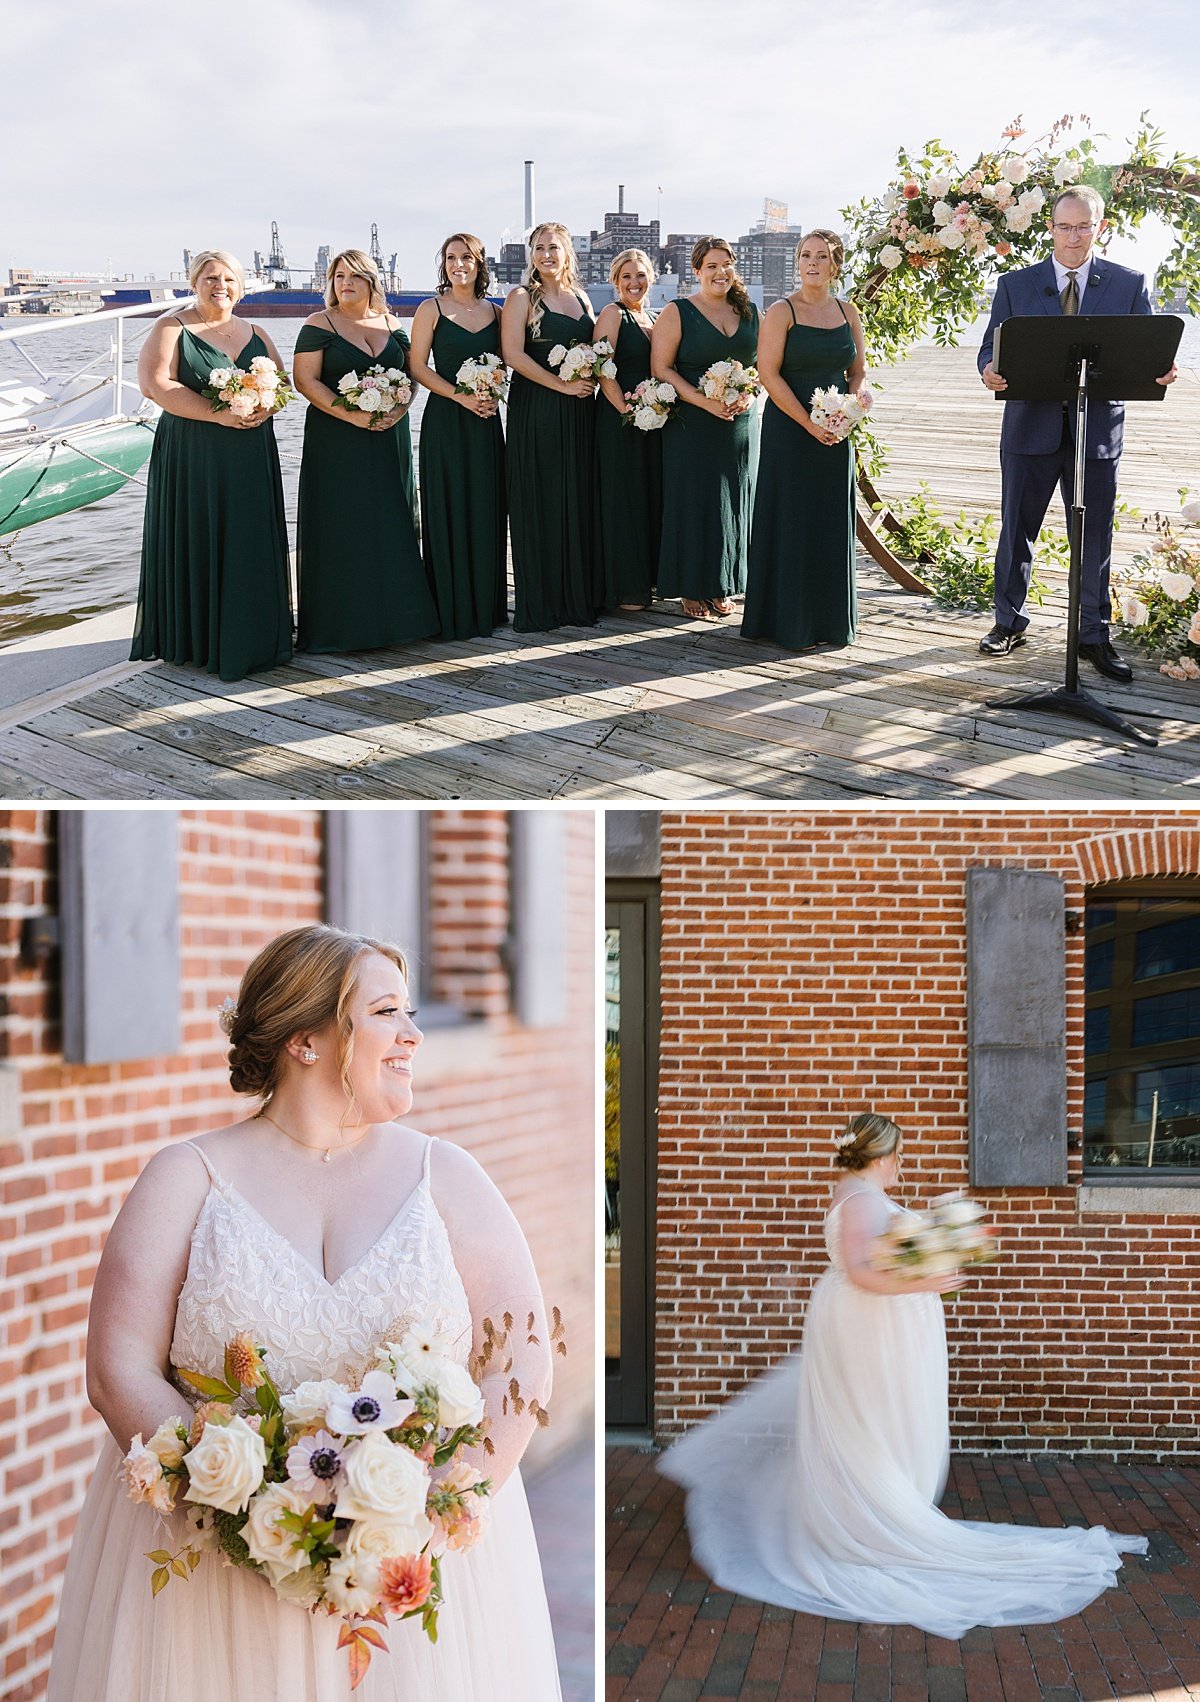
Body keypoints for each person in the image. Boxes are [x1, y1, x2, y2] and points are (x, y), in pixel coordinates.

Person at [47, 924, 561, 1700]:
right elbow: (117, 1369)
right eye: (388, 1012)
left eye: (411, 1012)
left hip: (410, 1574)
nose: (414, 1035)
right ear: (307, 1039)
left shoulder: (446, 1176)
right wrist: (249, 1516)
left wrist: (429, 1512)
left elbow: (520, 1358)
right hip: (211, 1579)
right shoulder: (185, 1179)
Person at [660, 1112, 1147, 1638]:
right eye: (898, 1154)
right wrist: (930, 1278)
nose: (901, 1164)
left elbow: (877, 1261)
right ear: (878, 1155)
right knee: (872, 1421)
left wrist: (926, 1256)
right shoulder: (861, 1199)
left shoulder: (856, 1193)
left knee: (872, 1422)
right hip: (869, 1328)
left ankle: (874, 1508)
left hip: (871, 1324)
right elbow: (864, 1272)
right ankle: (872, 1521)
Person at [978, 186, 1177, 679]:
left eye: (1084, 226)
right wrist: (989, 370)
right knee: (1016, 529)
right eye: (1064, 226)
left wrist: (1160, 369)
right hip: (1029, 428)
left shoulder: (1129, 283)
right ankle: (1008, 622)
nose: (1074, 236)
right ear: (1049, 227)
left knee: (1094, 537)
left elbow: (1147, 350)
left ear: (1100, 227)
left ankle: (1093, 635)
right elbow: (989, 349)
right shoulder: (1014, 284)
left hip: (1098, 433)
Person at [131, 249, 293, 681]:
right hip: (195, 451)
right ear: (194, 283)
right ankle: (199, 639)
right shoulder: (172, 326)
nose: (219, 285)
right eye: (210, 278)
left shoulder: (257, 331)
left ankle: (257, 635)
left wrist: (265, 406)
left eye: (228, 279)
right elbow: (154, 384)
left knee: (249, 535)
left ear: (240, 288)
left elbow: (283, 383)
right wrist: (218, 413)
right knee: (200, 532)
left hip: (251, 450)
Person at [292, 250, 439, 654]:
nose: (346, 283)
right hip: (336, 438)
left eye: (355, 276)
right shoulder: (318, 324)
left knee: (392, 517)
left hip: (390, 434)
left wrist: (397, 409)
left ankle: (401, 618)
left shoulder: (394, 326)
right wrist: (353, 416)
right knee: (343, 521)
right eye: (338, 276)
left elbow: (411, 378)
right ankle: (341, 625)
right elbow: (305, 381)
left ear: (373, 282)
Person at [742, 229, 865, 650]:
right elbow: (768, 375)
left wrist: (847, 411)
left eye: (822, 256)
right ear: (798, 263)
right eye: (806, 255)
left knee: (829, 521)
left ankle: (830, 621)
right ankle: (788, 623)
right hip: (790, 432)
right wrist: (811, 425)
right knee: (792, 520)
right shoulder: (782, 311)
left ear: (835, 264)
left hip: (836, 433)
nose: (813, 263)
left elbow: (857, 371)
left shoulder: (849, 312)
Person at [652, 236, 760, 621]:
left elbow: (762, 367)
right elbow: (661, 368)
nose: (720, 272)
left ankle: (722, 583)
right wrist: (703, 402)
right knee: (695, 502)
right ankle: (690, 587)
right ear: (696, 271)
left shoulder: (749, 312)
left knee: (732, 501)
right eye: (711, 266)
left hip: (738, 424)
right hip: (692, 423)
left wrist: (750, 394)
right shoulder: (677, 311)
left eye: (725, 264)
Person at [501, 222, 600, 632]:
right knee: (540, 497)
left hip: (580, 412)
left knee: (576, 497)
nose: (546, 255)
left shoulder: (581, 297)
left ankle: (576, 598)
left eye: (553, 247)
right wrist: (561, 384)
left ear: (567, 252)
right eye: (539, 248)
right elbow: (512, 355)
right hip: (538, 408)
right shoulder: (523, 297)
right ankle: (541, 604)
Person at [409, 234, 508, 640]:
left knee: (487, 507)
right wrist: (460, 396)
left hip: (486, 419)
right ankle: (449, 608)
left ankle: (487, 606)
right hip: (447, 421)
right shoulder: (429, 309)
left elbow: (509, 362)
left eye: (466, 257)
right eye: (450, 258)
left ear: (480, 263)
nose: (458, 264)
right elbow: (417, 367)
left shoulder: (498, 313)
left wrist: (490, 393)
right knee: (447, 507)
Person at [593, 249, 662, 612]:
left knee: (648, 496)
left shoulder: (655, 317)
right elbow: (603, 368)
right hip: (620, 420)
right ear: (616, 282)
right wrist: (627, 411)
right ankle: (625, 588)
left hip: (653, 421)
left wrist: (655, 411)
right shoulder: (612, 314)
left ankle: (648, 580)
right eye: (626, 277)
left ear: (650, 277)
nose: (634, 283)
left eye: (640, 276)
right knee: (623, 498)